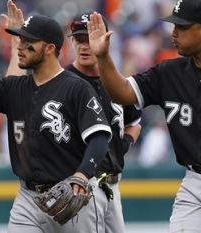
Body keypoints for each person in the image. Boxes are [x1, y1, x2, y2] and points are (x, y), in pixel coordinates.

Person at [87, 0, 201, 232]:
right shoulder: (168, 72)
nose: (173, 33)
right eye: (174, 26)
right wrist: (104, 58)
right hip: (194, 181)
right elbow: (122, 93)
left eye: (182, 27)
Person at [0, 11, 112, 233]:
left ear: (49, 48)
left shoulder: (77, 88)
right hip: (27, 197)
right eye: (20, 40)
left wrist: (82, 175)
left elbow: (100, 136)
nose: (20, 46)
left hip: (73, 193)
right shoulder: (13, 87)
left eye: (29, 42)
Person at [66, 10, 142, 233]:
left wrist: (125, 143)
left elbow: (135, 122)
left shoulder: (117, 83)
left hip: (113, 184)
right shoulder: (62, 81)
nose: (84, 46)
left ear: (105, 39)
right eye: (79, 40)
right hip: (80, 184)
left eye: (90, 39)